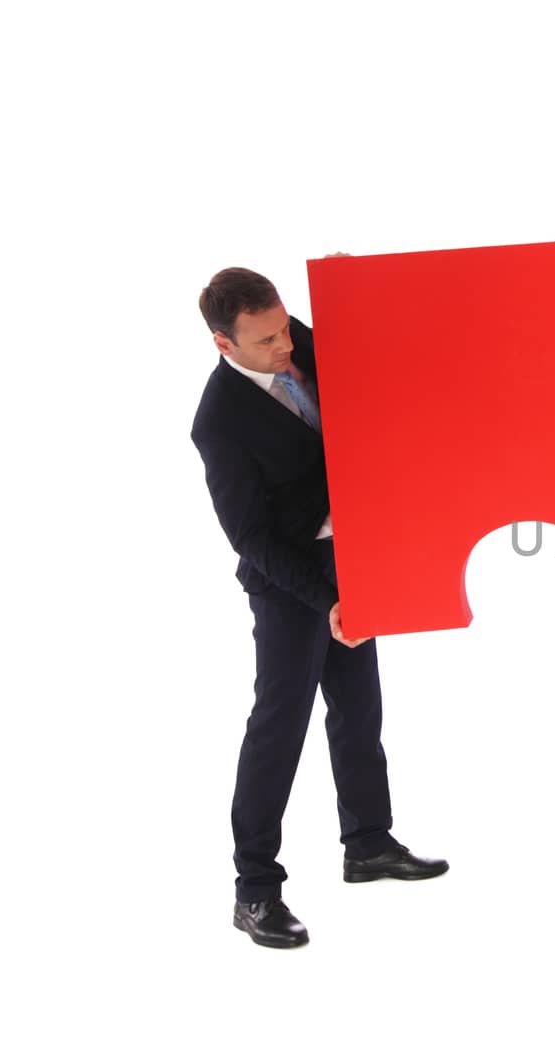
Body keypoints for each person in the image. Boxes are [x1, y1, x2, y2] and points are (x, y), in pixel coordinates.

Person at [192, 266, 448, 948]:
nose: (288, 345)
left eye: (285, 326)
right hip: (289, 581)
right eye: (268, 339)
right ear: (225, 344)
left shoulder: (296, 337)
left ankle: (367, 841)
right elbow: (251, 537)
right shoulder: (219, 424)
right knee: (279, 726)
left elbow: (363, 355)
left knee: (359, 706)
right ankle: (255, 891)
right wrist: (325, 597)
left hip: (352, 555)